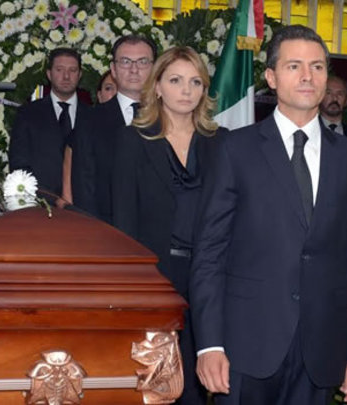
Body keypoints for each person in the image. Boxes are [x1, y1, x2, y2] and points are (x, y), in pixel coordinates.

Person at [191, 25, 347, 404]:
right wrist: (209, 344)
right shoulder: (234, 150)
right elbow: (209, 253)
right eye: (294, 66)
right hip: (245, 347)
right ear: (272, 78)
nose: (308, 76)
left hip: (321, 351)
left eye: (317, 67)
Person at [113, 46, 225, 404]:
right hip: (156, 276)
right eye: (176, 81)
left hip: (209, 276)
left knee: (199, 381)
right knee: (155, 382)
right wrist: (133, 289)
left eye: (195, 82)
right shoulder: (133, 139)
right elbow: (124, 221)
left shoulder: (222, 143)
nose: (186, 90)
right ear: (157, 86)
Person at [72, 35, 157, 223]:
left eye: (142, 62)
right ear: (113, 69)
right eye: (125, 62)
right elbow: (84, 186)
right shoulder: (90, 120)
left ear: (154, 69)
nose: (134, 69)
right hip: (107, 228)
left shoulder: (169, 117)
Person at [8, 47, 90, 197]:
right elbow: (19, 164)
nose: (66, 76)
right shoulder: (28, 114)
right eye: (59, 70)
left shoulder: (92, 115)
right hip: (40, 201)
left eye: (72, 70)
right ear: (49, 74)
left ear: (80, 75)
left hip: (84, 203)